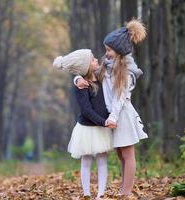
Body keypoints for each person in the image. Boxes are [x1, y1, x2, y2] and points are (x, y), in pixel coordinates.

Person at [74, 19, 148, 196]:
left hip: (121, 115)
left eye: (109, 50)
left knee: (128, 154)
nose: (106, 53)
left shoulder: (127, 72)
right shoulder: (106, 66)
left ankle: (126, 192)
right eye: (106, 49)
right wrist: (77, 79)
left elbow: (121, 98)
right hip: (111, 117)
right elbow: (87, 71)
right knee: (121, 155)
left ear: (120, 51)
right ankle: (123, 189)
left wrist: (113, 117)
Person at [53, 49, 116, 199]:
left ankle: (100, 195)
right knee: (86, 161)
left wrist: (105, 122)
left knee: (102, 161)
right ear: (86, 66)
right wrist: (103, 122)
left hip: (102, 128)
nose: (96, 61)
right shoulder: (81, 85)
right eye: (93, 60)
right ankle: (87, 194)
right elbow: (86, 110)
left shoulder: (101, 77)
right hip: (87, 129)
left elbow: (111, 64)